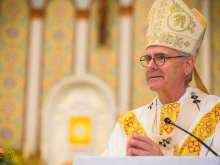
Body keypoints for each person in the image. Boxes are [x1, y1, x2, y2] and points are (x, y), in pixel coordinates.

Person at [101, 0, 220, 156]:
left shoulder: (214, 114)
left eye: (161, 57)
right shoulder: (129, 124)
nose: (151, 65)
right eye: (148, 58)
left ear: (187, 65)